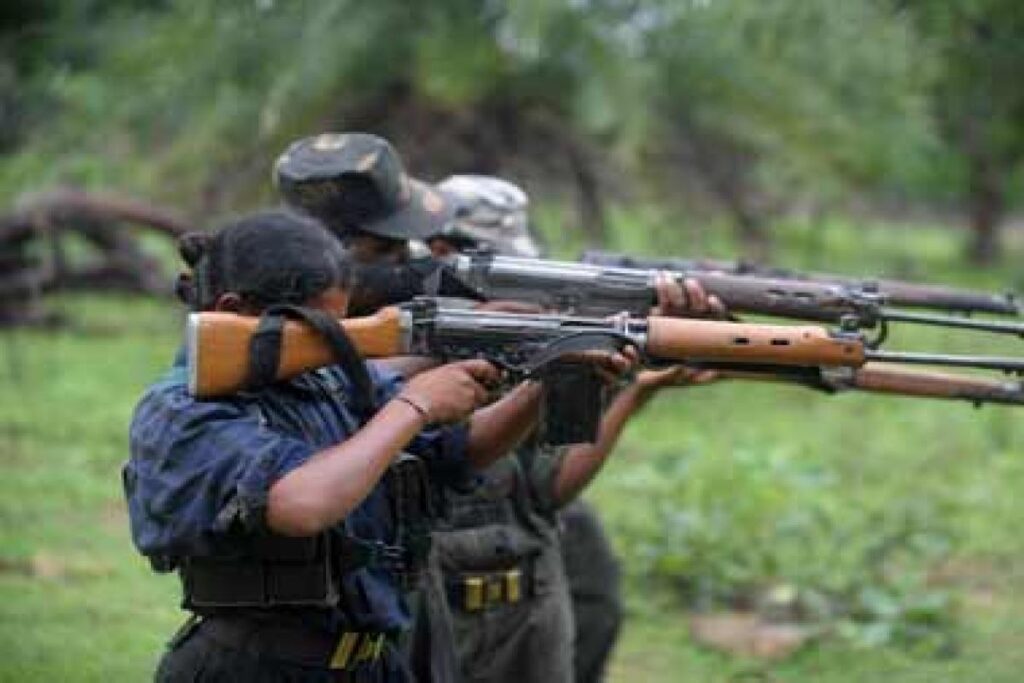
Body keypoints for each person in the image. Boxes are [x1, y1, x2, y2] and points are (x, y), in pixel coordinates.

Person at [124, 209, 629, 682]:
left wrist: (547, 379)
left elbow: (461, 450)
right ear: (234, 312)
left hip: (372, 663)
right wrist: (413, 406)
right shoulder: (182, 411)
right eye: (322, 330)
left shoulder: (325, 381)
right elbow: (300, 504)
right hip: (255, 667)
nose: (338, 345)